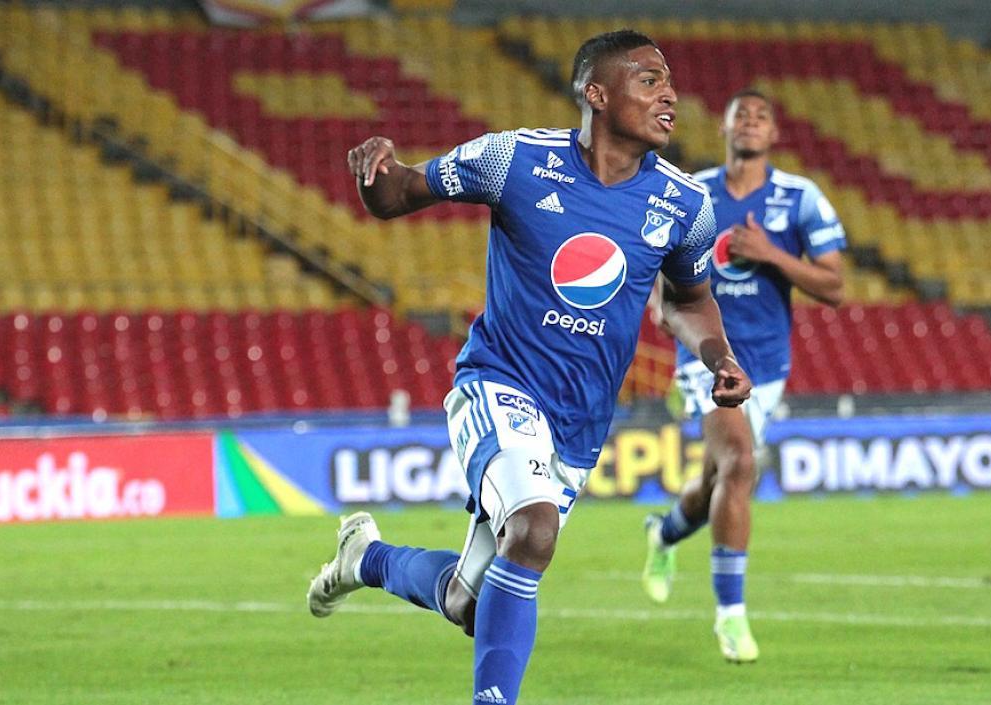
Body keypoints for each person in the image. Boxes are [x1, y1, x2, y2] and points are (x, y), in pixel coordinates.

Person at [307, 30, 752, 705]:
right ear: (595, 94)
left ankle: (363, 557)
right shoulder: (512, 159)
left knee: (469, 603)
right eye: (649, 79)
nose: (671, 94)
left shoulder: (686, 205)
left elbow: (691, 302)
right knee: (534, 527)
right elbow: (399, 193)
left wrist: (718, 356)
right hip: (499, 382)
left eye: (670, 81)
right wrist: (376, 175)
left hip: (578, 426)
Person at [642, 89, 846, 663]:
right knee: (740, 464)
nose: (751, 121)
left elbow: (834, 286)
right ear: (725, 127)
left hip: (768, 364)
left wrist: (772, 255)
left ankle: (662, 535)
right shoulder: (692, 192)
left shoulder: (800, 197)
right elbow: (655, 252)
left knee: (717, 483)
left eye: (762, 115)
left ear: (774, 134)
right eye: (741, 114)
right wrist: (661, 301)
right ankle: (730, 616)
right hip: (706, 356)